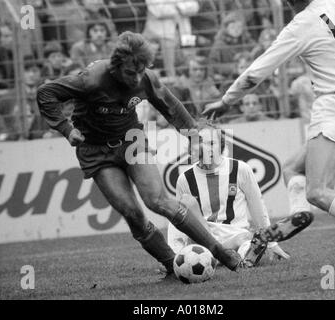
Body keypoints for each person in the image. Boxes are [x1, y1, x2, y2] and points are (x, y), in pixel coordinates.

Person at [203, 0, 335, 276]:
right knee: (292, 167)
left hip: (333, 107)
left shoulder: (302, 24)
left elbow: (259, 70)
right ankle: (298, 214)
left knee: (318, 191)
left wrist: (226, 100)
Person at [37, 31, 244, 278]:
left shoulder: (146, 78)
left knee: (158, 201)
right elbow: (46, 92)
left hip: (131, 141)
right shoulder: (91, 80)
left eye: (140, 71)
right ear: (115, 68)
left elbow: (171, 106)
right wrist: (66, 129)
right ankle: (172, 265)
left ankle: (219, 251)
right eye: (129, 73)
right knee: (132, 213)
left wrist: (194, 138)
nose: (136, 79)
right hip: (95, 150)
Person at [167, 123, 310, 266]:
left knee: (245, 239)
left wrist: (272, 244)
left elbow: (257, 207)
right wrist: (174, 255)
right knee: (183, 204)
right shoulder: (185, 179)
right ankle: (225, 256)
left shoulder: (240, 169)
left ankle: (246, 256)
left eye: (212, 143)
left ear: (221, 146)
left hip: (234, 235)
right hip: (203, 238)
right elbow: (178, 220)